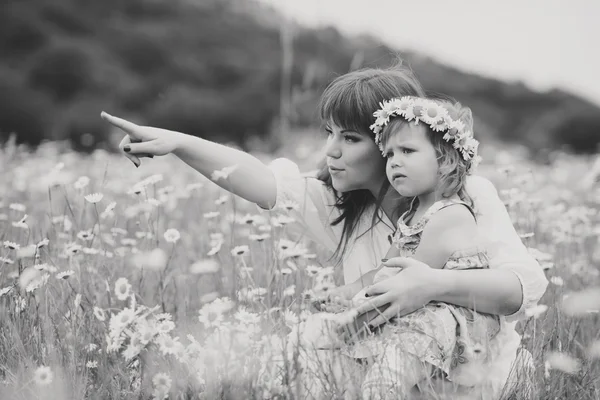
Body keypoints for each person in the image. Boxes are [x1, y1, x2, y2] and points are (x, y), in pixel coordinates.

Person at [100, 63, 548, 398]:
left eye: (350, 138)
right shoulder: (336, 205)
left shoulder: (465, 197)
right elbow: (257, 179)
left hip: (475, 375)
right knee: (282, 363)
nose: (330, 151)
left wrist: (432, 285)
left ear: (391, 142)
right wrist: (177, 142)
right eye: (329, 133)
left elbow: (517, 290)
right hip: (385, 372)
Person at [315, 96, 507, 399]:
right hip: (414, 318)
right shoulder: (412, 213)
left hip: (437, 326)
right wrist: (347, 291)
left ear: (444, 160)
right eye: (389, 154)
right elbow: (386, 270)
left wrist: (354, 321)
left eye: (407, 150)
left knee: (384, 383)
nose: (394, 161)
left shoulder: (450, 215)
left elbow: (406, 285)